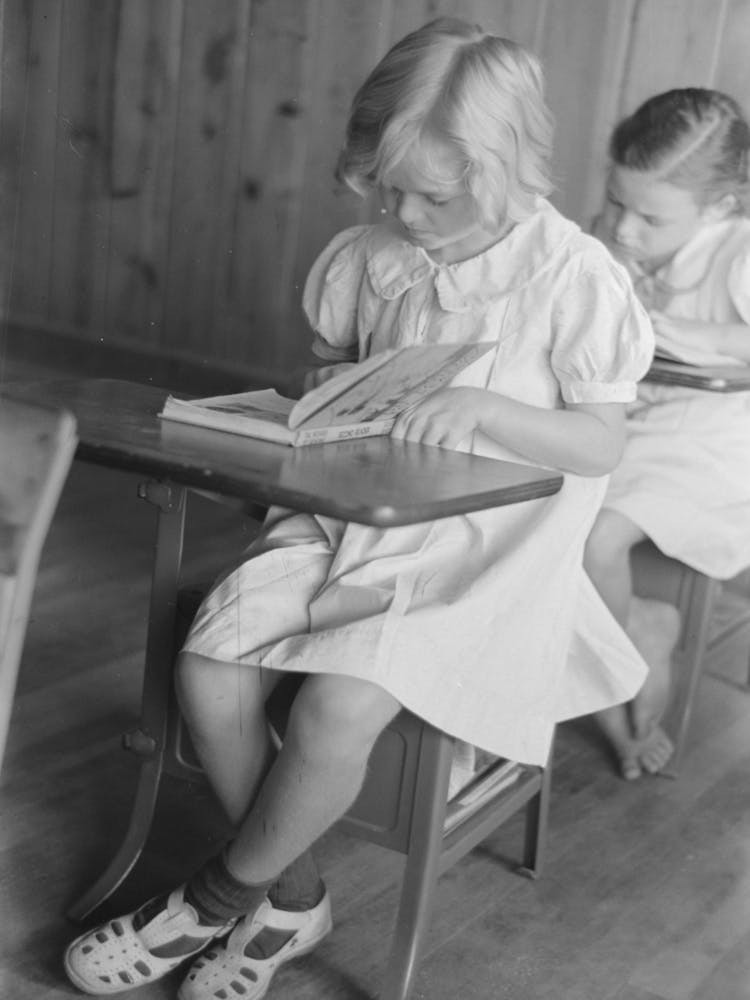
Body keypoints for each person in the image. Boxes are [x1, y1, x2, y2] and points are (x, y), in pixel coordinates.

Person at [64, 17, 653, 999]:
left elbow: (602, 442)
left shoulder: (571, 276)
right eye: (385, 186)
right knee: (207, 667)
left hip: (486, 554)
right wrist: (327, 391)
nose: (407, 212)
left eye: (435, 193)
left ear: (507, 165)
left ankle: (215, 896)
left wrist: (488, 406)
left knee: (341, 701)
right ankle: (291, 896)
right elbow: (342, 365)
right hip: (351, 519)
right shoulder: (370, 254)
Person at [585, 87, 750, 781]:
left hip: (710, 441)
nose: (624, 227)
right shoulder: (616, 235)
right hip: (627, 420)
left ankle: (627, 653)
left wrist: (680, 331)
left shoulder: (739, 253)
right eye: (617, 201)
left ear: (719, 207)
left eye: (650, 216)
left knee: (597, 537)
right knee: (534, 520)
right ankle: (623, 646)